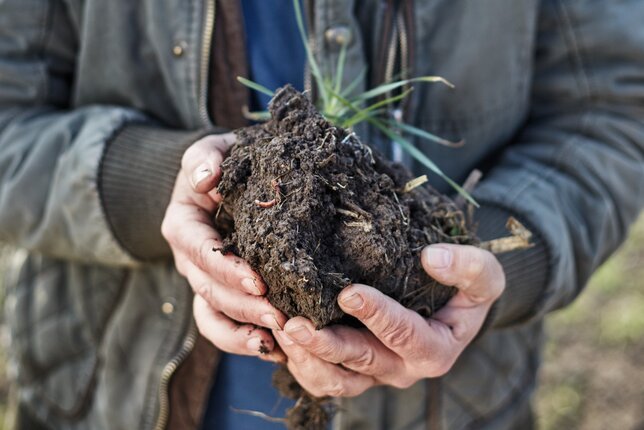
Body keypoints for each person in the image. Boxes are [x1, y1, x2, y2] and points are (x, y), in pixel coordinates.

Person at [1, 0, 643, 429]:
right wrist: (157, 187)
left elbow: (611, 109)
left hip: (452, 403)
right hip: (107, 391)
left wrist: (493, 255)